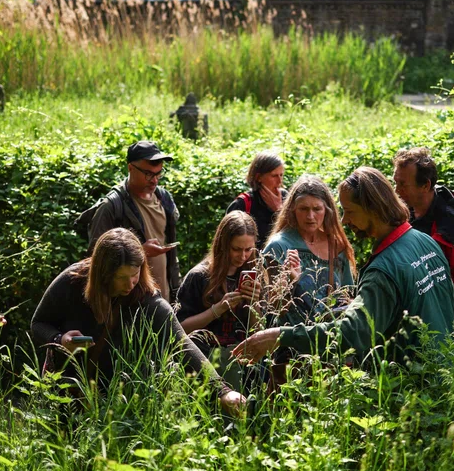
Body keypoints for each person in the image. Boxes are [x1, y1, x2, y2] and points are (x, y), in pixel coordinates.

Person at [232, 167, 454, 366]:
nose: (344, 220)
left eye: (349, 211)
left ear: (373, 208)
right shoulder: (425, 242)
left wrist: (281, 336)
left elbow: (353, 333)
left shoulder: (383, 269)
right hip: (447, 371)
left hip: (411, 387)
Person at [31, 228, 244, 413]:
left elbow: (182, 344)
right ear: (103, 274)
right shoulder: (73, 281)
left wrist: (223, 391)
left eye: (135, 274)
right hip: (66, 391)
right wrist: (60, 339)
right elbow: (38, 324)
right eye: (121, 277)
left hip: (117, 401)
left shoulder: (146, 297)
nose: (130, 283)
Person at [392, 147, 454, 350]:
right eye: (395, 182)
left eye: (403, 185)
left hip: (446, 331)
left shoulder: (452, 230)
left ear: (425, 185)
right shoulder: (406, 216)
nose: (396, 191)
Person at [176, 212, 263, 389]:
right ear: (223, 245)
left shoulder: (254, 273)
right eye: (236, 249)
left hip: (245, 365)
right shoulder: (199, 277)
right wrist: (216, 310)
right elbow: (179, 328)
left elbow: (259, 332)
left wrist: (254, 303)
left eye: (249, 250)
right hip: (207, 364)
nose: (243, 256)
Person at [86, 140, 180, 301]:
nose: (154, 180)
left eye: (158, 173)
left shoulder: (164, 198)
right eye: (148, 174)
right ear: (130, 168)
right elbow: (95, 262)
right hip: (128, 303)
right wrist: (140, 252)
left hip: (164, 298)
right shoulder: (112, 207)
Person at [261, 175, 357, 328]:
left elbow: (347, 297)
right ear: (293, 210)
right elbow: (272, 309)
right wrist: (290, 281)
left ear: (327, 210)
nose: (310, 216)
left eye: (317, 209)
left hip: (330, 341)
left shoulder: (337, 246)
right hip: (290, 342)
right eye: (303, 209)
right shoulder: (279, 246)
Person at [226, 152, 287, 248]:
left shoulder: (286, 198)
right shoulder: (242, 204)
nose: (280, 181)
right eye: (274, 176)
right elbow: (228, 243)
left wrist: (279, 210)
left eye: (281, 175)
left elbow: (296, 235)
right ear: (258, 177)